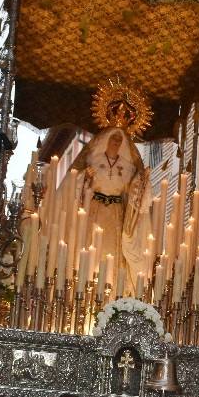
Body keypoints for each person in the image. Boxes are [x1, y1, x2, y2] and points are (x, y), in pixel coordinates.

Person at [69, 124, 151, 291]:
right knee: (90, 247)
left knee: (112, 252)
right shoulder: (94, 160)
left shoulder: (128, 167)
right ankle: (86, 289)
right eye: (113, 138)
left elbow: (134, 191)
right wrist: (86, 177)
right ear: (106, 140)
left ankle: (111, 292)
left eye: (119, 139)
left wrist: (142, 181)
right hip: (95, 209)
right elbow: (78, 183)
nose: (116, 142)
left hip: (115, 212)